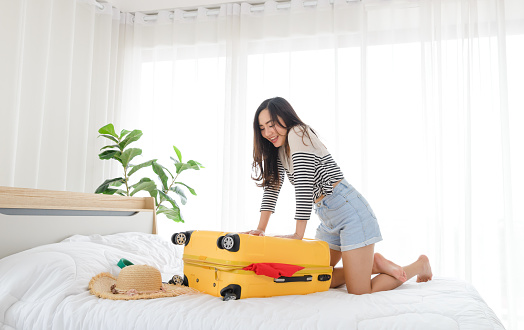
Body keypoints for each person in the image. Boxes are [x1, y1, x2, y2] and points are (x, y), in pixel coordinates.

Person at [245, 96, 433, 294]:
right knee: (315, 277)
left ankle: (419, 265)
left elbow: (303, 185)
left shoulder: (297, 133)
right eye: (262, 128)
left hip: (349, 211)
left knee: (359, 290)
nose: (267, 132)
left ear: (285, 117)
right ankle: (374, 266)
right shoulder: (280, 149)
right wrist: (260, 229)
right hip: (328, 217)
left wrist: (298, 234)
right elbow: (272, 187)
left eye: (271, 124)